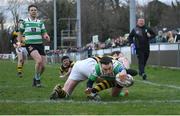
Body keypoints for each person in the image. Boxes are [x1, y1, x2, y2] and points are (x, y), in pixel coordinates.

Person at [50, 56, 132, 100]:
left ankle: (58, 91)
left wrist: (124, 72)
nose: (108, 71)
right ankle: (92, 93)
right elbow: (124, 59)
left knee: (66, 93)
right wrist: (126, 70)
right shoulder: (116, 62)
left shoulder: (111, 61)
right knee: (113, 79)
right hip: (90, 65)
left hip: (78, 65)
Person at [17, 4, 50, 87]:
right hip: (30, 44)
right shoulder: (24, 22)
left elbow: (44, 32)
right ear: (29, 12)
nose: (33, 11)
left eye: (35, 10)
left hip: (40, 44)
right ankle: (38, 80)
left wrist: (46, 36)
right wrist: (19, 42)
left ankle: (35, 78)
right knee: (38, 61)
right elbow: (20, 33)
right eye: (31, 10)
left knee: (43, 67)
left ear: (37, 12)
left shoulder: (40, 22)